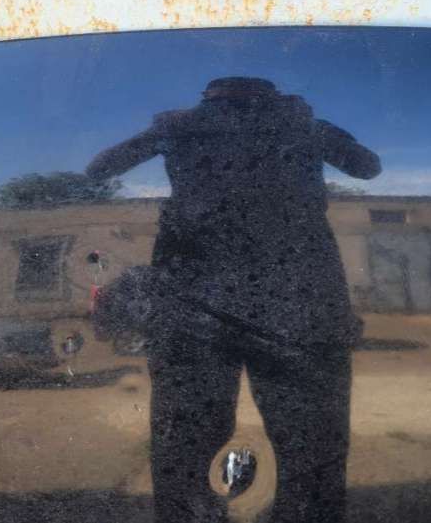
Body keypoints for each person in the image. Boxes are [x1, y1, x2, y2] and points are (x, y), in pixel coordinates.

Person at [86, 77, 381, 523]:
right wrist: (310, 126)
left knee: (189, 443)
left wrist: (171, 129)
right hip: (295, 301)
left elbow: (99, 169)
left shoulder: (184, 126)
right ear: (274, 98)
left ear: (209, 98)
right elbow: (367, 166)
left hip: (201, 301)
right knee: (310, 446)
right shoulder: (300, 126)